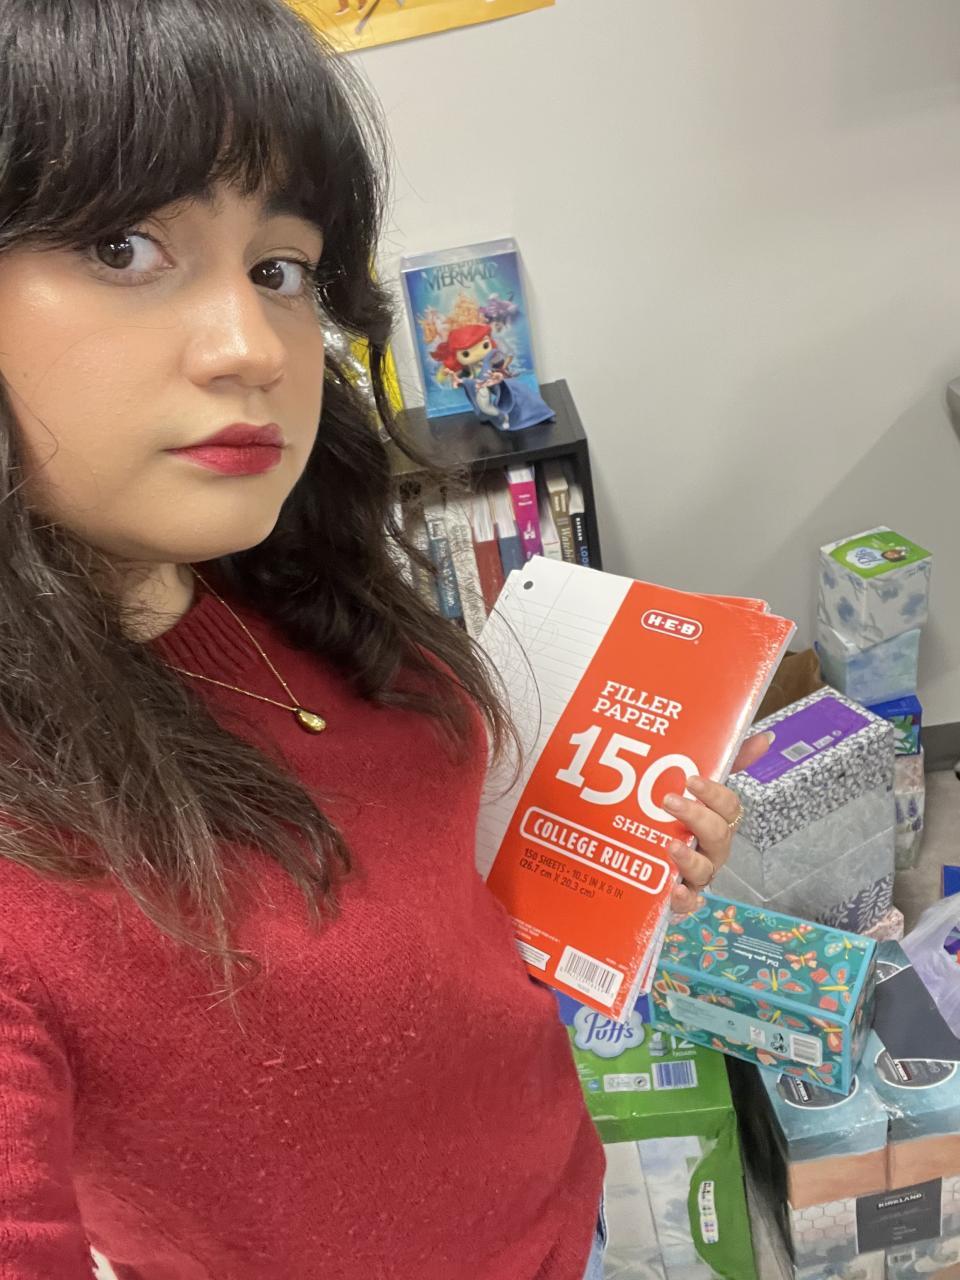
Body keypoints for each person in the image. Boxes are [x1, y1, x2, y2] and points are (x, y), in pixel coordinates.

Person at [0, 2, 767, 1277]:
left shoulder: (277, 580)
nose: (252, 348)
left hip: (559, 1204)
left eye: (280, 268)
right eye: (123, 245)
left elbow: (423, 887)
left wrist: (613, 867)